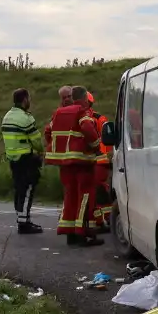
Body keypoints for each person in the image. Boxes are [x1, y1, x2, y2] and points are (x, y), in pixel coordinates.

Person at [43, 86, 103, 246]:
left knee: (70, 197)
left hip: (64, 164)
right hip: (82, 162)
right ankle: (82, 234)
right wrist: (96, 147)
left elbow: (48, 131)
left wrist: (59, 148)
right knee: (84, 198)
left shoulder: (58, 113)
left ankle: (69, 233)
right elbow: (88, 129)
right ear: (84, 99)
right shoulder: (82, 112)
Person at [2, 88, 45, 234]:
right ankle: (23, 223)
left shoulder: (7, 116)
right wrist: (41, 151)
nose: (30, 101)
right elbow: (36, 140)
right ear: (25, 100)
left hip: (13, 158)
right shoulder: (25, 118)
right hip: (26, 158)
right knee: (27, 189)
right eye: (29, 98)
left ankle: (22, 218)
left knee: (19, 189)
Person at [86, 91, 114, 234]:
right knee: (99, 191)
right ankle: (103, 219)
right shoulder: (96, 118)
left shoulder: (95, 118)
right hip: (98, 160)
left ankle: (104, 220)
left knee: (99, 191)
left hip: (98, 160)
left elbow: (107, 136)